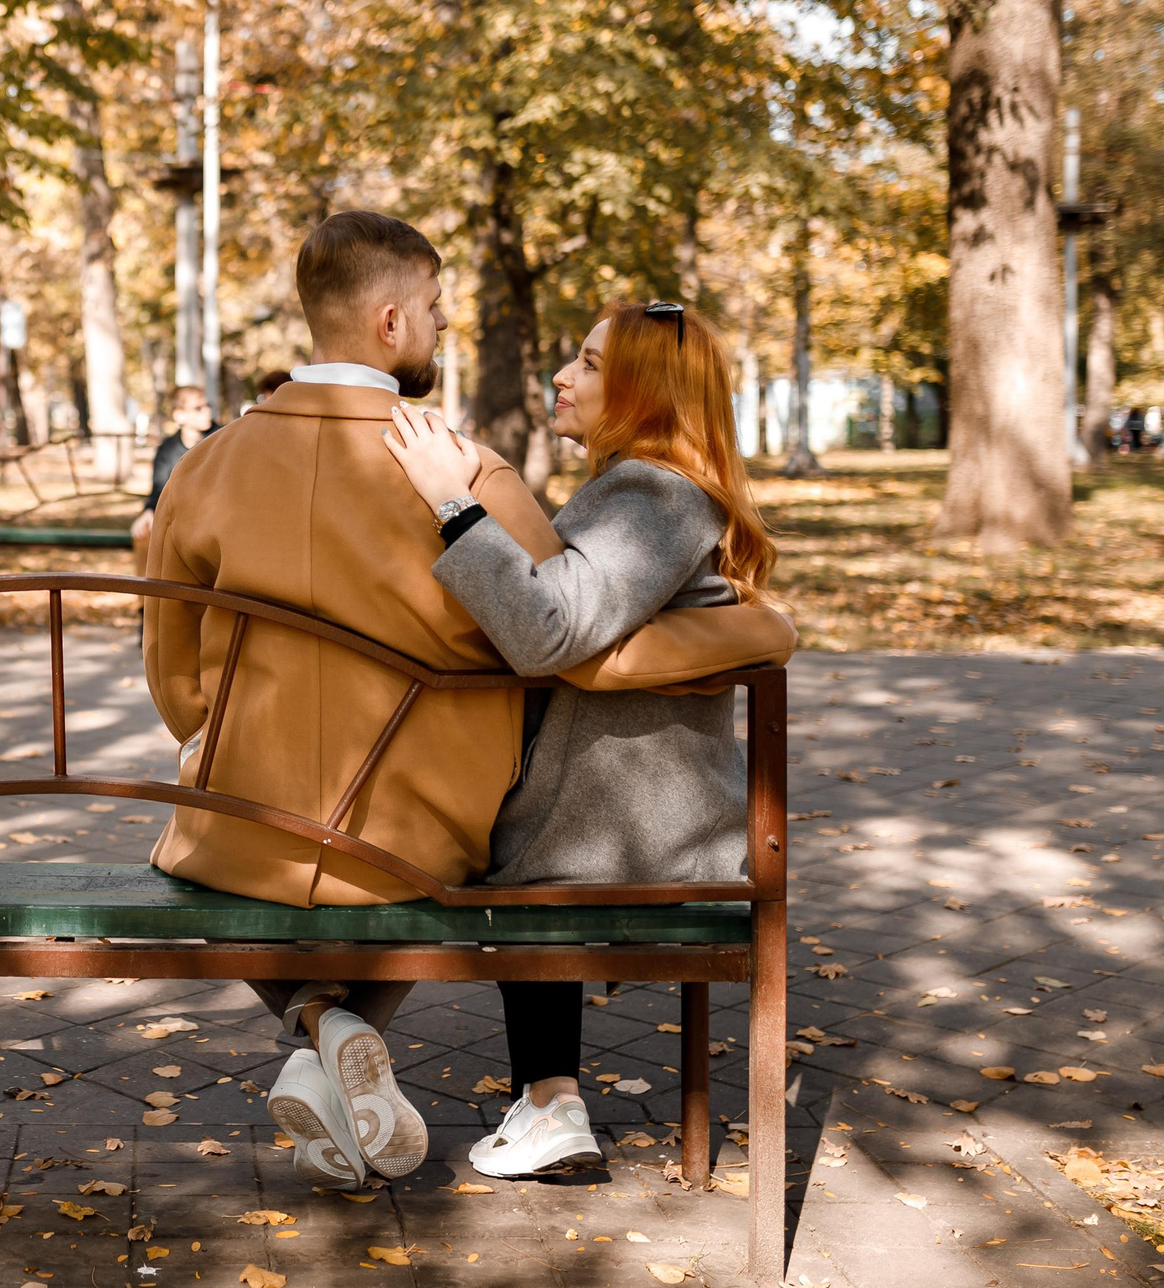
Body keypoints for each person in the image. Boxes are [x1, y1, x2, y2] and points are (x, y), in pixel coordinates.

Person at [143, 216, 794, 1189]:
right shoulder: (471, 471)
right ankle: (343, 1032)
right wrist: (757, 629)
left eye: (585, 362)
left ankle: (324, 1025)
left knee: (199, 857)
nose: (446, 325)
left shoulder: (205, 463)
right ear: (391, 321)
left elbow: (172, 670)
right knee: (470, 851)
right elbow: (545, 646)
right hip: (424, 827)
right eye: (438, 309)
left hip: (242, 817)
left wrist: (213, 737)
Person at [383, 299, 779, 1180]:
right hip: (618, 818)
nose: (563, 375)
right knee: (439, 831)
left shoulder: (655, 493)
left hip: (627, 834)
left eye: (591, 364)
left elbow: (547, 631)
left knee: (410, 843)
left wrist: (450, 498)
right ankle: (535, 1099)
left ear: (647, 389)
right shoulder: (647, 488)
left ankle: (333, 1039)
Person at [128, 385, 216, 567]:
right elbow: (159, 488)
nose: (207, 412)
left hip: (214, 517)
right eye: (198, 408)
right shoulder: (167, 449)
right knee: (144, 534)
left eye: (207, 406)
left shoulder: (221, 439)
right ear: (179, 415)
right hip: (180, 519)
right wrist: (149, 511)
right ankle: (149, 586)